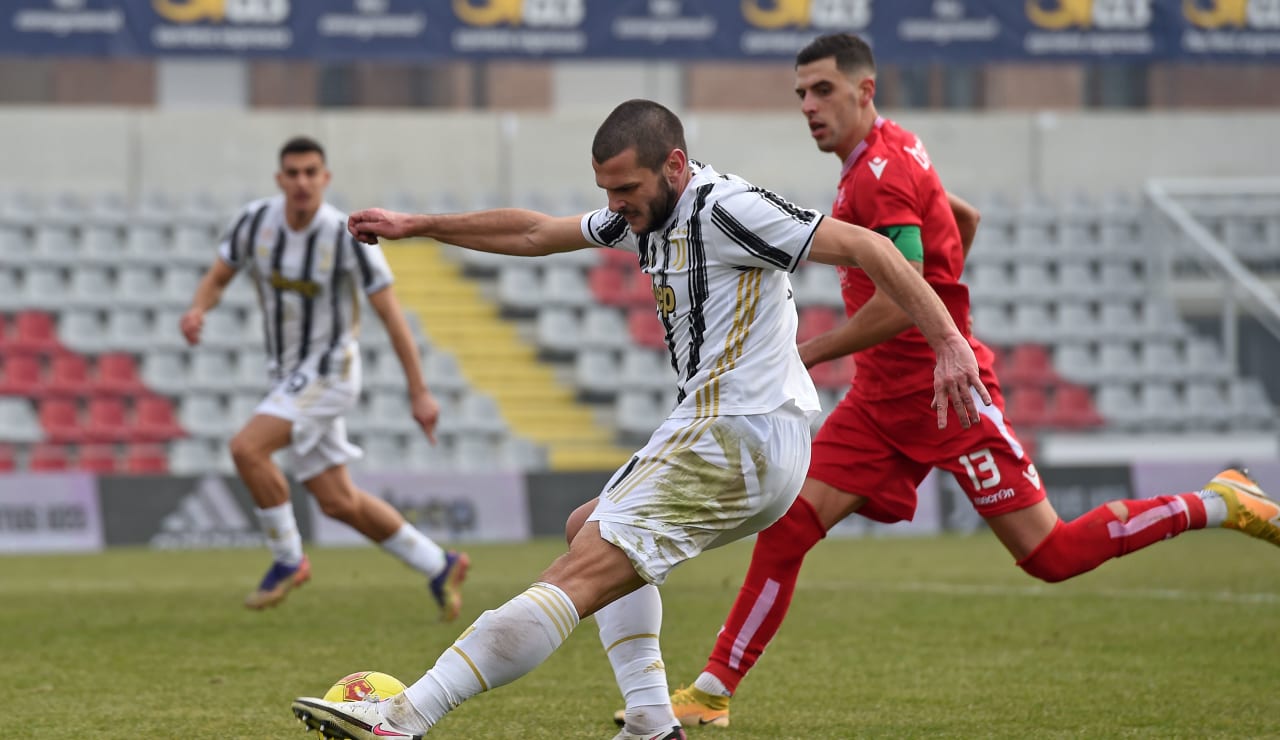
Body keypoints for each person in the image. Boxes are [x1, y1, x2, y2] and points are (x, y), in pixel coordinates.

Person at [289, 98, 989, 740]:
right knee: (585, 528)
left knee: (578, 571)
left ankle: (407, 718)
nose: (616, 206)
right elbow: (535, 231)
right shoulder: (648, 216)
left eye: (627, 189)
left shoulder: (727, 207)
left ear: (675, 165)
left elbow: (871, 247)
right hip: (749, 442)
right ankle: (652, 721)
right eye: (607, 192)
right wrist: (420, 226)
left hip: (733, 433)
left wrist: (949, 343)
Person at [648, 33, 1280, 730]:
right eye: (800, 92)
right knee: (790, 525)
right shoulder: (890, 151)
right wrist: (936, 300)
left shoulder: (878, 173)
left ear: (865, 90)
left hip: (948, 397)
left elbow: (901, 291)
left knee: (1051, 555)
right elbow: (962, 221)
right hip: (881, 402)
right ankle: (711, 690)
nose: (808, 106)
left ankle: (1218, 501)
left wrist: (809, 350)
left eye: (823, 90)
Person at [181, 136, 469, 619]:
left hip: (331, 371)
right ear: (280, 180)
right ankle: (439, 563)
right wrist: (197, 309)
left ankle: (288, 559)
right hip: (289, 376)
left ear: (325, 179)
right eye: (292, 173)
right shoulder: (255, 222)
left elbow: (392, 316)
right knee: (337, 501)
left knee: (246, 449)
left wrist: (418, 390)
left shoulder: (343, 235)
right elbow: (219, 275)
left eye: (311, 172)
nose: (301, 182)